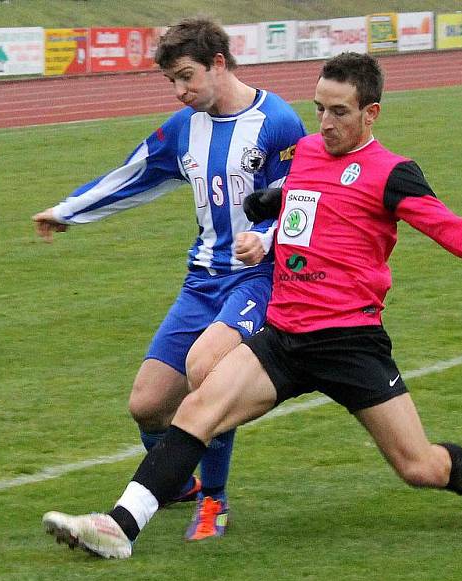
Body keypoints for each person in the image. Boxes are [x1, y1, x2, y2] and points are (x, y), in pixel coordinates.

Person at [42, 52, 462, 560]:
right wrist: (269, 202)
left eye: (339, 111)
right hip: (283, 335)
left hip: (350, 343)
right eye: (319, 108)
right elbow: (301, 193)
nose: (325, 122)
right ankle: (120, 527)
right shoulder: (308, 152)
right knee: (199, 407)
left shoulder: (393, 173)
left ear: (372, 113)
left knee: (417, 468)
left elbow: (442, 221)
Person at [32, 17, 306, 541]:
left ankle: (214, 502)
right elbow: (135, 173)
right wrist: (67, 211)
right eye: (172, 82)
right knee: (148, 405)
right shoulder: (185, 126)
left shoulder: (278, 122)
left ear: (218, 64)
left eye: (187, 78)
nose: (180, 92)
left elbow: (299, 201)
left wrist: (266, 238)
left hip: (258, 279)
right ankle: (174, 480)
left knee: (208, 373)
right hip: (201, 280)